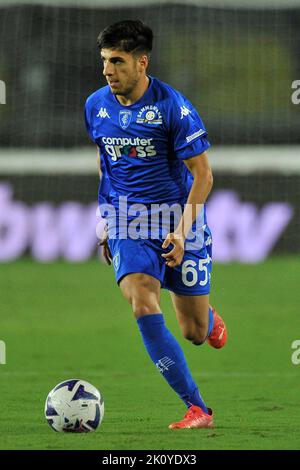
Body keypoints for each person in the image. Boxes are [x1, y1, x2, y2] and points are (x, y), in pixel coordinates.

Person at [84, 19, 227, 429]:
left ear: (142, 62)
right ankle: (197, 407)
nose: (108, 70)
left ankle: (209, 317)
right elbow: (105, 162)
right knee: (142, 301)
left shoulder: (174, 109)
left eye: (117, 61)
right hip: (127, 220)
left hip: (175, 220)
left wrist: (181, 232)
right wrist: (107, 219)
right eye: (104, 62)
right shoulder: (96, 105)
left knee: (194, 332)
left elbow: (204, 176)